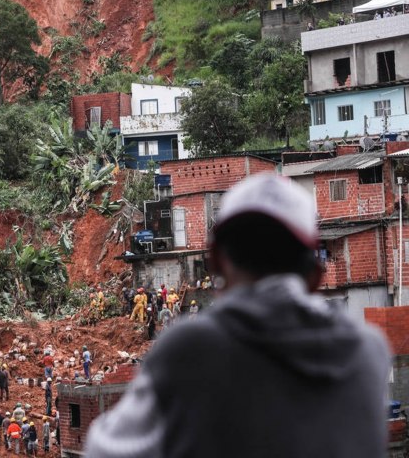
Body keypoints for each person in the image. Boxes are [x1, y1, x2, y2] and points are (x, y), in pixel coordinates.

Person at [85, 173, 391, 458]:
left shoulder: (190, 349)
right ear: (315, 275)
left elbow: (104, 449)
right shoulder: (368, 352)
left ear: (216, 262)